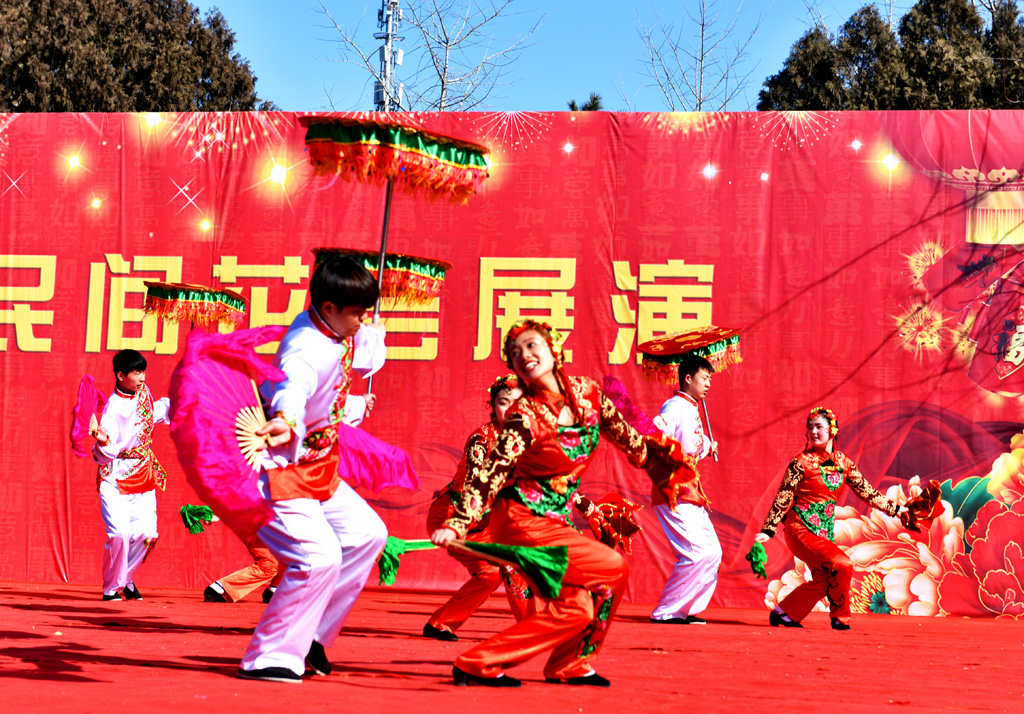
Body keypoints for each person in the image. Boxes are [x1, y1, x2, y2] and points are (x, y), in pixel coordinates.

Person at [431, 319, 690, 688]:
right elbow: (492, 470)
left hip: (552, 521)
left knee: (577, 608)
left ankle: (493, 662)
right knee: (613, 567)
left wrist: (662, 463)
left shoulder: (589, 396)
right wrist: (458, 522)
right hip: (520, 520)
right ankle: (569, 662)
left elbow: (629, 439)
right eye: (515, 353)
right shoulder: (525, 417)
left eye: (532, 345)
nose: (524, 356)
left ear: (554, 348)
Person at [236, 254, 388, 683]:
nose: (362, 321)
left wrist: (356, 400)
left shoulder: (336, 328)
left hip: (318, 468)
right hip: (280, 471)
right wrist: (285, 420)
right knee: (318, 556)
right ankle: (270, 656)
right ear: (329, 309)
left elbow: (351, 361)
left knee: (367, 534)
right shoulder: (303, 348)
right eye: (357, 313)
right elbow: (294, 387)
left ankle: (315, 637)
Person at [205, 394, 370, 605]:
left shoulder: (298, 447)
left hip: (279, 511)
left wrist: (361, 403)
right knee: (270, 563)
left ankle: (275, 590)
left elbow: (327, 410)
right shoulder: (255, 456)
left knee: (297, 548)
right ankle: (220, 589)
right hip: (258, 517)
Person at [754, 407, 905, 630]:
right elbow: (784, 495)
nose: (813, 432)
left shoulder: (843, 463)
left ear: (832, 431)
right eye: (810, 427)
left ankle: (784, 613)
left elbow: (867, 492)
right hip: (800, 528)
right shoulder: (801, 462)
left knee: (826, 579)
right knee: (842, 563)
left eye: (819, 427)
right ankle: (840, 618)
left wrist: (897, 510)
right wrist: (769, 528)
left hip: (823, 532)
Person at [423, 374, 532, 641]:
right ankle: (533, 630)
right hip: (454, 515)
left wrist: (587, 507)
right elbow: (476, 487)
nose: (511, 410)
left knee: (490, 573)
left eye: (518, 403)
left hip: (486, 521)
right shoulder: (481, 441)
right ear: (492, 405)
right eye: (504, 403)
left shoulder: (527, 441)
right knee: (510, 562)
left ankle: (440, 623)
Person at [91, 349, 170, 601]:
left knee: (148, 535)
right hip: (115, 478)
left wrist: (184, 397)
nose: (142, 377)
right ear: (121, 375)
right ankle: (111, 589)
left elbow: (156, 412)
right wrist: (102, 440)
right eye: (137, 373)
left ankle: (125, 580)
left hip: (143, 474)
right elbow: (107, 452)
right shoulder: (113, 410)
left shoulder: (143, 394)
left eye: (143, 371)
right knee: (120, 535)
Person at [649, 353, 722, 625]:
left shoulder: (691, 408)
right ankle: (667, 611)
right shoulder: (675, 407)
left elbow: (691, 447)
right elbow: (658, 431)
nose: (708, 384)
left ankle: (687, 608)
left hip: (691, 489)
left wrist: (706, 447)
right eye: (705, 378)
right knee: (694, 552)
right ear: (688, 378)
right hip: (674, 489)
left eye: (710, 379)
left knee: (713, 551)